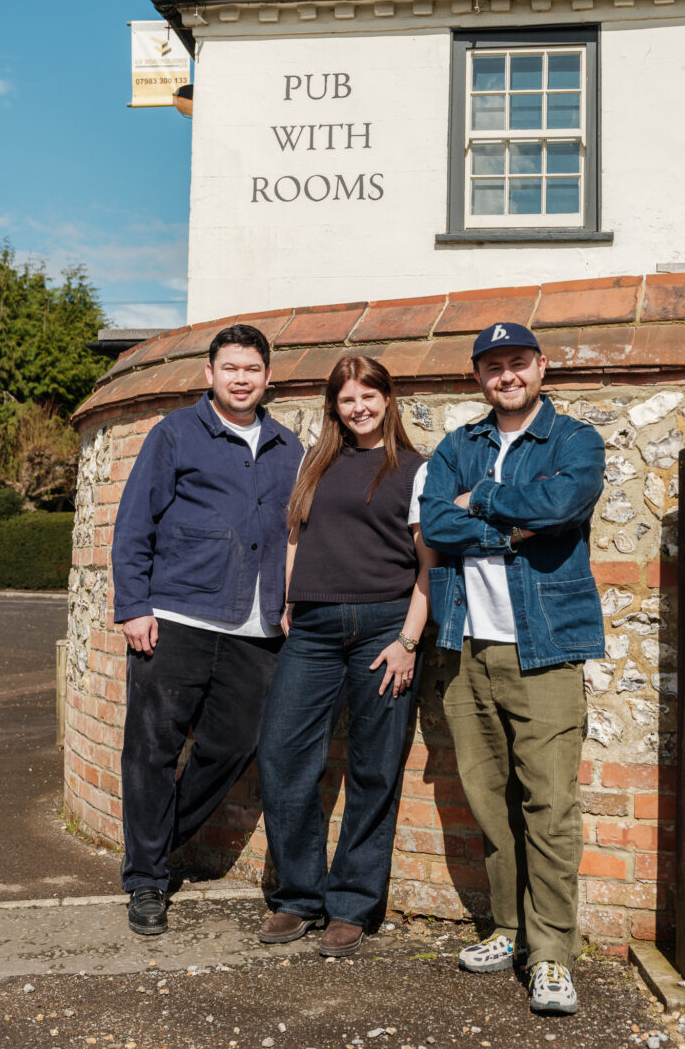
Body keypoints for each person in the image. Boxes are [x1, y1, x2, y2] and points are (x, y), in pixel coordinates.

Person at [419, 322, 605, 1016]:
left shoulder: (575, 441)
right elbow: (436, 524)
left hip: (545, 646)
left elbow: (563, 505)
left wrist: (481, 500)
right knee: (489, 798)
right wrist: (506, 524)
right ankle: (509, 929)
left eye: (518, 363)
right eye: (493, 366)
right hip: (467, 647)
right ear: (478, 377)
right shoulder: (456, 446)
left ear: (541, 367)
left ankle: (552, 953)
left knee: (550, 806)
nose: (507, 375)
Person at [111, 324, 303, 936]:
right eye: (230, 368)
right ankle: (146, 879)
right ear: (210, 374)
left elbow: (299, 533)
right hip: (176, 619)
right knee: (151, 749)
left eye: (252, 368)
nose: (241, 378)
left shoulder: (288, 447)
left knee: (232, 747)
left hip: (257, 629)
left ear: (267, 377)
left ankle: (157, 842)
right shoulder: (174, 434)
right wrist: (134, 605)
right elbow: (133, 522)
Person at [256, 355, 436, 957]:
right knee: (281, 753)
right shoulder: (317, 462)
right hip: (310, 629)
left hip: (384, 627)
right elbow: (295, 535)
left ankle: (353, 904)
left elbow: (429, 565)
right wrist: (288, 601)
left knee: (374, 767)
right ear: (334, 405)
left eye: (368, 396)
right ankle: (298, 896)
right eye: (346, 399)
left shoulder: (416, 469)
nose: (358, 408)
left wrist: (409, 640)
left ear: (388, 398)